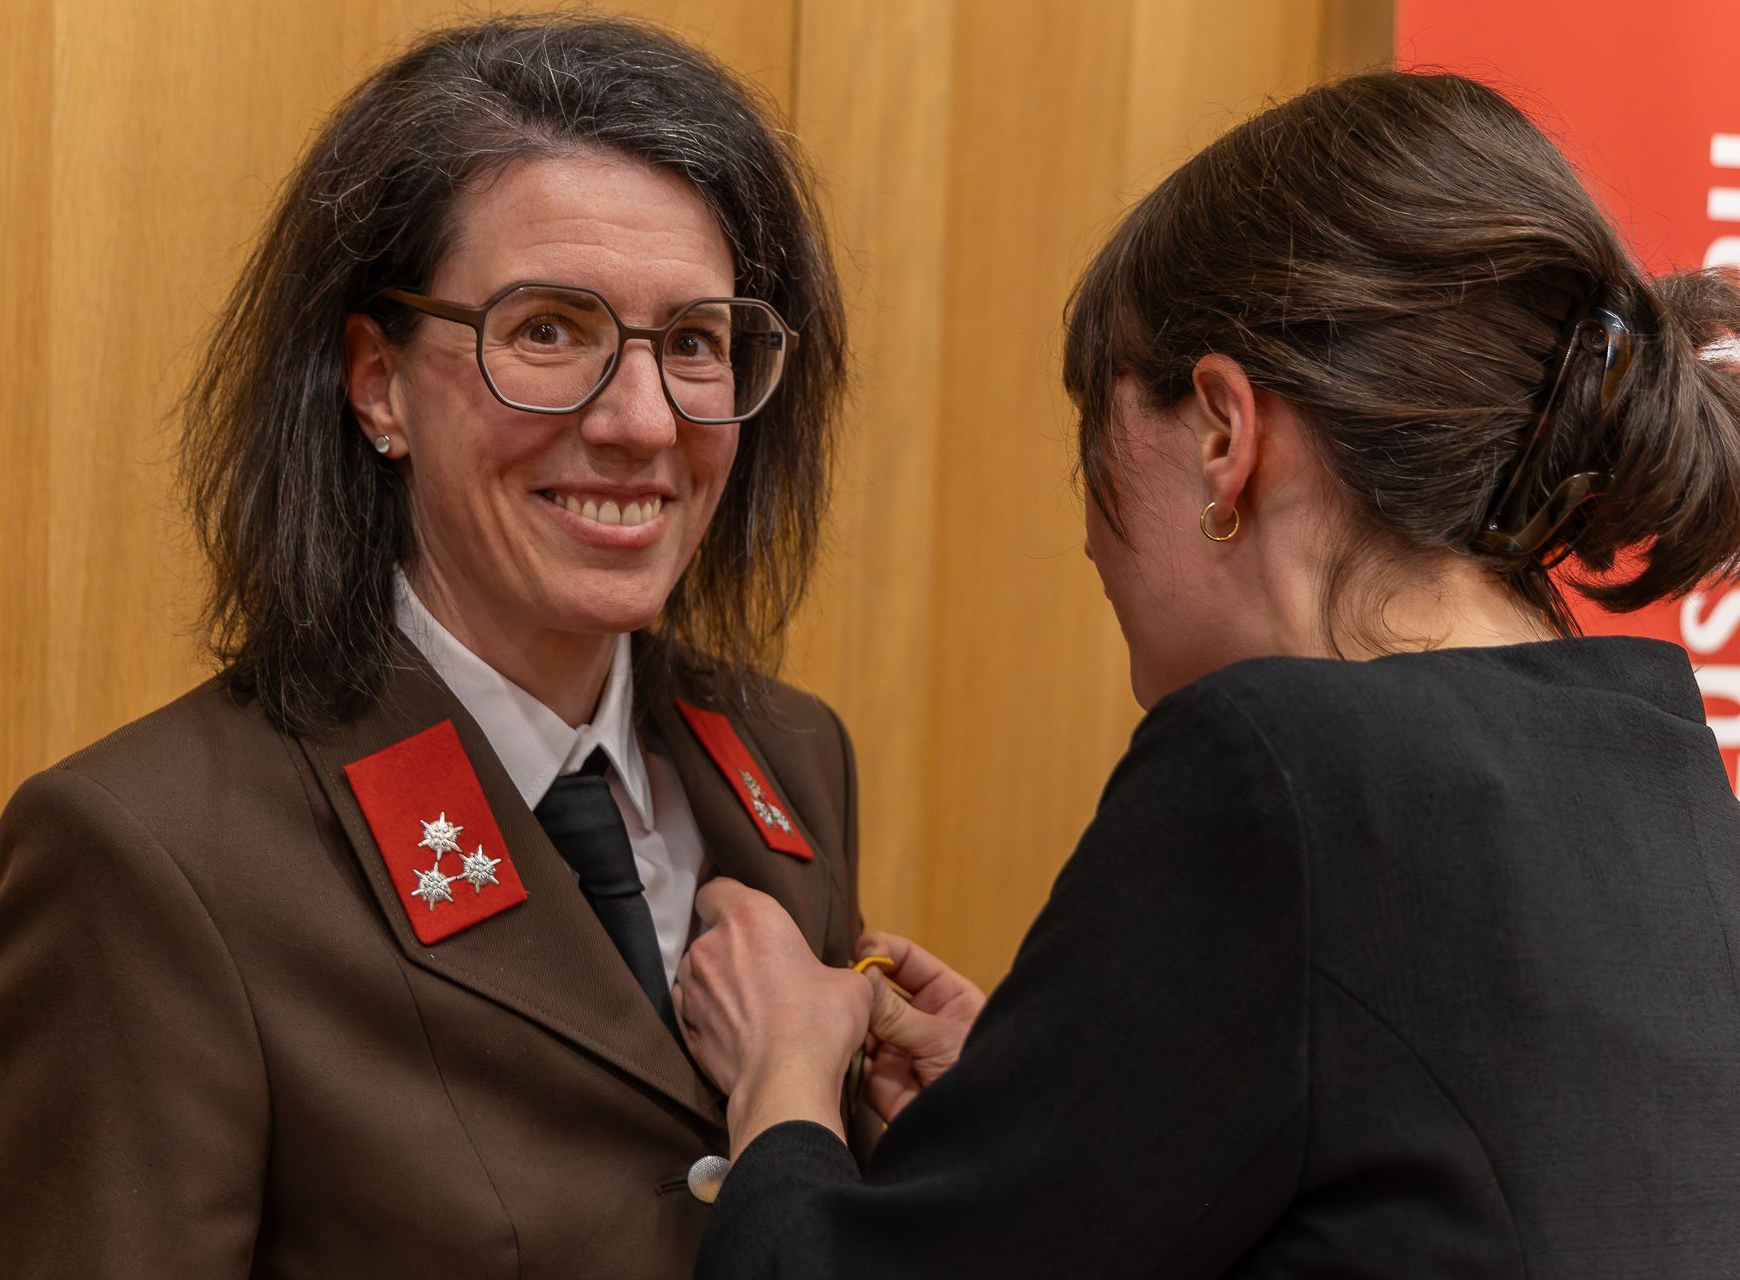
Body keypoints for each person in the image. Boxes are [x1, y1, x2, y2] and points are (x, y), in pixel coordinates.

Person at [673, 70, 1740, 1277]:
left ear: (1225, 432)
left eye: (1098, 430)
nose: (1086, 533)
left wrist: (784, 1089)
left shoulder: (1281, 765)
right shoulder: (1664, 772)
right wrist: (1045, 1113)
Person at [0, 15, 859, 1279]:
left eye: (694, 342)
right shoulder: (152, 860)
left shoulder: (789, 757)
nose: (646, 422)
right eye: (550, 331)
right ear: (378, 379)